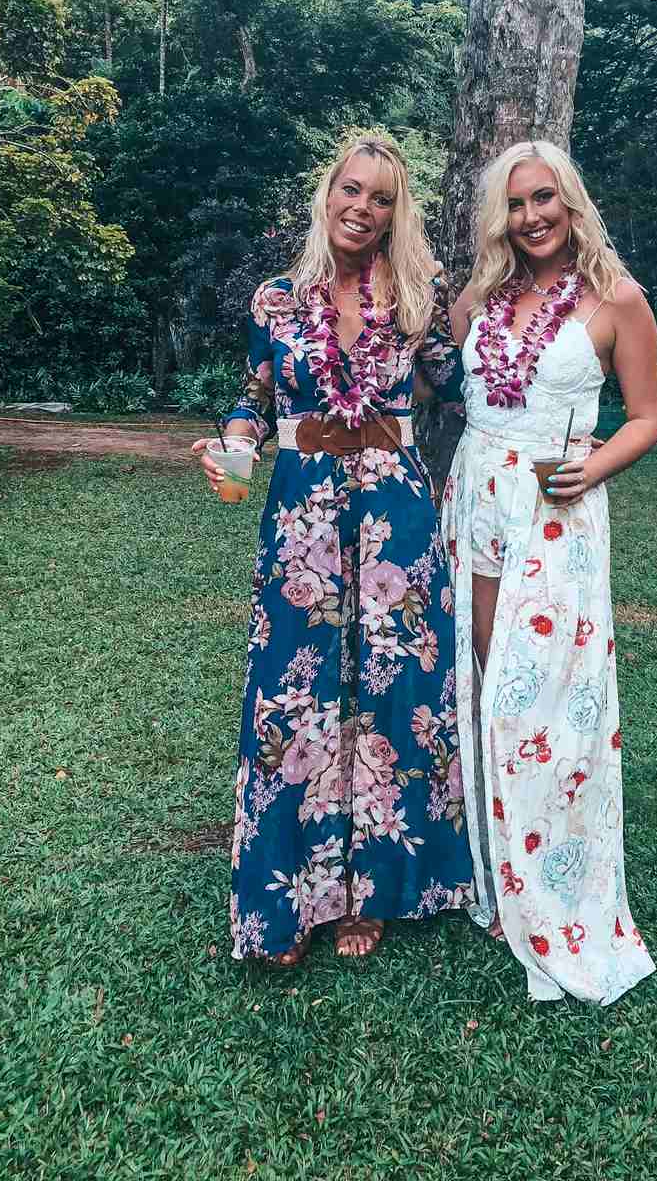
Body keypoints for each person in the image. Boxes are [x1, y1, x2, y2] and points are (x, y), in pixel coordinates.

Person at [193, 134, 474, 966]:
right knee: (298, 693)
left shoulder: (417, 293)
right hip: (302, 514)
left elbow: (461, 385)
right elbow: (254, 396)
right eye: (352, 190)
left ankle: (370, 892)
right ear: (328, 194)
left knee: (389, 692)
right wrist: (233, 443)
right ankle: (291, 896)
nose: (363, 207)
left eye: (382, 198)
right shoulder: (277, 299)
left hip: (395, 512)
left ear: (397, 213)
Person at [442, 139, 657, 1004]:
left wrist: (596, 465)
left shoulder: (619, 300)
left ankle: (560, 890)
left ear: (572, 202)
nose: (533, 218)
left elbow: (647, 416)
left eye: (546, 200)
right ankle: (492, 871)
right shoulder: (479, 299)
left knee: (544, 699)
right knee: (486, 677)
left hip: (557, 509)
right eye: (517, 204)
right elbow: (448, 383)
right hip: (479, 497)